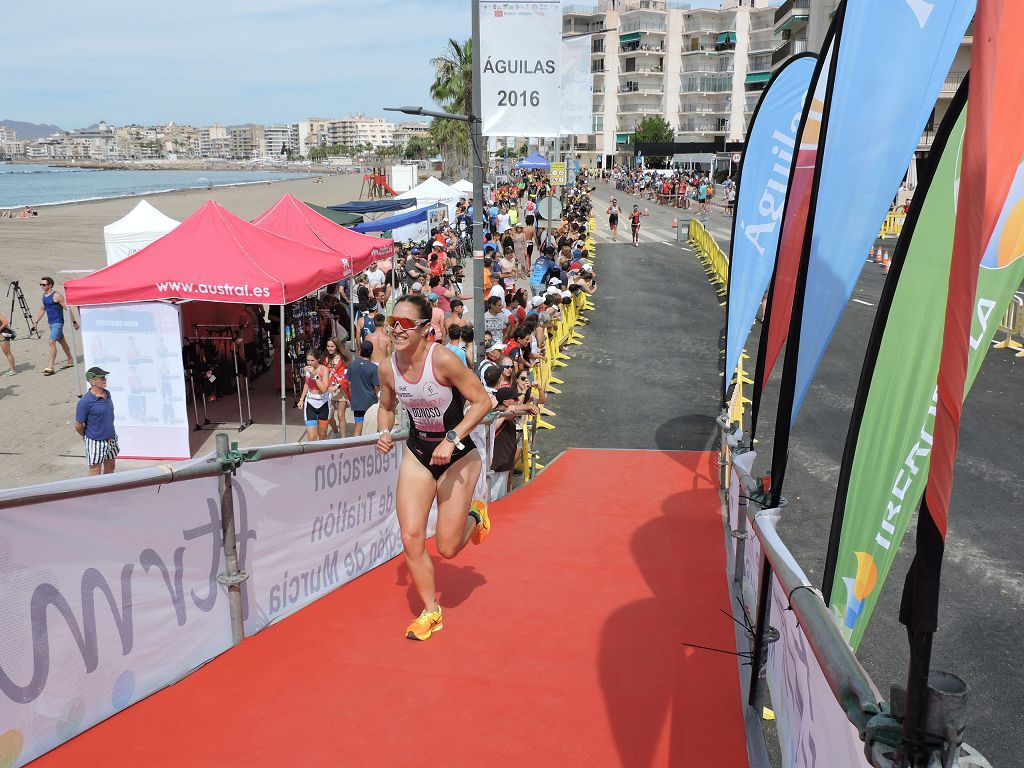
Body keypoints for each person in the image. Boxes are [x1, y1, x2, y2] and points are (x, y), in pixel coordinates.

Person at [375, 295, 492, 641]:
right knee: (411, 537)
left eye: (406, 324)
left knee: (447, 548)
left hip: (458, 454)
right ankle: (431, 612)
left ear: (426, 329)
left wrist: (452, 438)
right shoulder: (388, 367)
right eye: (392, 321)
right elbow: (386, 407)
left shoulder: (441, 360)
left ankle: (476, 516)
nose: (397, 329)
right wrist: (384, 431)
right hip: (418, 451)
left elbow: (483, 401)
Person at [74, 367, 118, 476]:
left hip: (111, 439)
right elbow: (78, 425)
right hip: (95, 441)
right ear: (92, 381)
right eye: (101, 378)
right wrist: (87, 437)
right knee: (95, 471)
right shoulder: (85, 402)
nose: (104, 380)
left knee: (111, 466)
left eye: (104, 377)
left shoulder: (108, 395)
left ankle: (108, 490)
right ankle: (95, 493)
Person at [33, 276, 77, 376]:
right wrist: (35, 322)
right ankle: (70, 360)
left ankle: (51, 366)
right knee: (62, 341)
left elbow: (67, 308)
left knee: (52, 342)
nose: (42, 286)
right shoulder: (44, 296)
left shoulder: (57, 296)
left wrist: (74, 322)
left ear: (50, 285)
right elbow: (42, 309)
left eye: (43, 284)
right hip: (51, 323)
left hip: (58, 323)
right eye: (41, 284)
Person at [345, 340, 380, 436]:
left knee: (358, 424)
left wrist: (352, 398)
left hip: (357, 401)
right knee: (371, 426)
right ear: (371, 352)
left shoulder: (353, 364)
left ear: (360, 351)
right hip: (370, 402)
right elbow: (376, 387)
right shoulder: (374, 368)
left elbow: (349, 383)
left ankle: (356, 447)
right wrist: (378, 400)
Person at [297, 349, 331, 442]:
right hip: (310, 402)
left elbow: (324, 389)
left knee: (322, 435)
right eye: (308, 360)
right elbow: (307, 384)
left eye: (312, 360)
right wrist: (301, 399)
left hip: (323, 403)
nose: (310, 363)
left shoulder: (324, 369)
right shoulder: (307, 369)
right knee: (312, 437)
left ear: (318, 359)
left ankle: (322, 455)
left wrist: (314, 375)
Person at [323, 337, 350, 437]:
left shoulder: (343, 359)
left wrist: (337, 386)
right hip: (329, 390)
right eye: (328, 346)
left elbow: (347, 375)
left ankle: (343, 438)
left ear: (337, 346)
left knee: (341, 415)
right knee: (329, 416)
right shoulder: (325, 359)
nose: (330, 348)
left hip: (341, 389)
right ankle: (335, 432)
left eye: (332, 346)